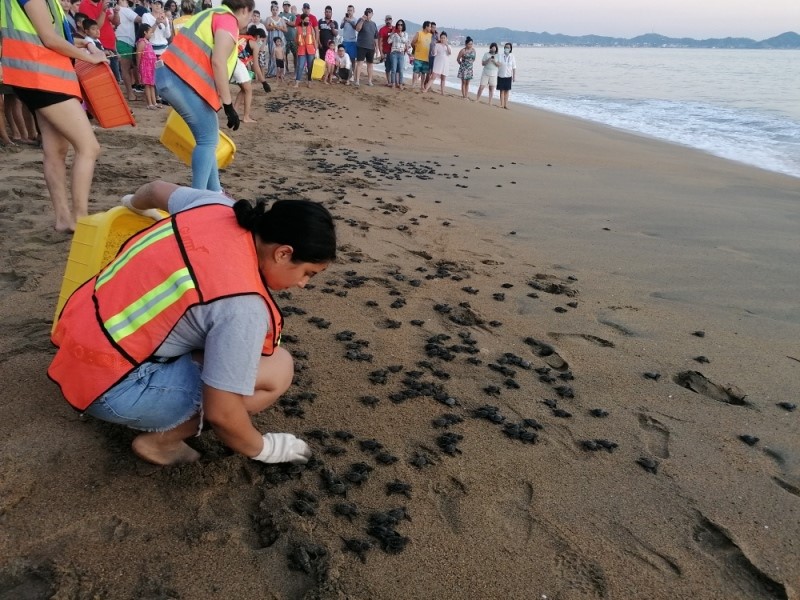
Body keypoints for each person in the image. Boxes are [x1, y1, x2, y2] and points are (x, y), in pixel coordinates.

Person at [49, 181, 337, 466]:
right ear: (283, 253)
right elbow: (221, 414)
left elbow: (152, 189)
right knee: (278, 368)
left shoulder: (215, 206)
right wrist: (265, 449)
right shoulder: (243, 307)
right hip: (111, 391)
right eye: (308, 273)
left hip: (74, 339)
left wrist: (133, 208)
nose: (302, 284)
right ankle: (161, 442)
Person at [0, 0, 107, 232]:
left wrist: (83, 45)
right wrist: (91, 57)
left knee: (56, 150)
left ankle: (64, 219)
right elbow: (48, 38)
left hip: (36, 75)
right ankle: (80, 219)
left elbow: (49, 33)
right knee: (89, 147)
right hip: (42, 76)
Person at [156, 0, 253, 192]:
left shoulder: (209, 13)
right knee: (208, 140)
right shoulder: (228, 20)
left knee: (208, 139)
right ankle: (199, 196)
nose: (249, 20)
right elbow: (218, 62)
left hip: (171, 76)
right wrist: (228, 105)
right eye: (251, 15)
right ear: (244, 10)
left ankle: (215, 193)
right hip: (181, 80)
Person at [78, 0, 120, 82]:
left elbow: (116, 22)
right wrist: (103, 11)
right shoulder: (85, 4)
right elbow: (95, 27)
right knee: (107, 81)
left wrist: (116, 12)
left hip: (110, 46)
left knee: (115, 79)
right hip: (98, 47)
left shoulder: (102, 3)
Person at [114, 0, 141, 101]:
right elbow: (140, 19)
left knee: (127, 68)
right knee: (126, 68)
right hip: (124, 40)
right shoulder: (125, 10)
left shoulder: (118, 9)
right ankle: (130, 93)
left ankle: (130, 92)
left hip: (123, 40)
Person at [136, 23, 160, 108]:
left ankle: (154, 102)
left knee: (151, 84)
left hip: (151, 66)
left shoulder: (147, 42)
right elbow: (138, 56)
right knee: (147, 85)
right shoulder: (142, 42)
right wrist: (138, 67)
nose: (151, 33)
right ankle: (149, 103)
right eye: (150, 32)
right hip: (145, 66)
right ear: (145, 32)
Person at [353, 7, 377, 87]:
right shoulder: (361, 20)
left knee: (370, 64)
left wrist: (376, 48)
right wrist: (362, 20)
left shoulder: (373, 24)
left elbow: (375, 37)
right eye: (367, 12)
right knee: (360, 63)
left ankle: (370, 81)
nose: (368, 14)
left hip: (371, 47)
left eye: (370, 12)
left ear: (372, 14)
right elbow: (357, 29)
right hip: (361, 45)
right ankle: (357, 80)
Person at [293, 13, 316, 87]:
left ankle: (309, 82)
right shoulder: (298, 28)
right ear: (302, 20)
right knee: (300, 66)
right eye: (306, 20)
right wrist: (297, 47)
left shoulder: (311, 27)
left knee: (310, 66)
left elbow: (314, 39)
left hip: (310, 49)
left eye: (308, 20)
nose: (308, 21)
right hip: (301, 49)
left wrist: (316, 50)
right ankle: (297, 82)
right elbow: (295, 39)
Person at [264, 3, 286, 78]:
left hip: (280, 38)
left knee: (280, 54)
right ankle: (272, 71)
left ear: (278, 10)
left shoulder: (281, 19)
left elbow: (285, 30)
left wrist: (279, 28)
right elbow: (266, 28)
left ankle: (281, 72)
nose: (275, 11)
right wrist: (273, 27)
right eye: (273, 10)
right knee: (272, 53)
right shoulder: (268, 19)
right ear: (271, 10)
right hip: (272, 38)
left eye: (276, 10)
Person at [475, 42, 500, 106]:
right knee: (481, 86)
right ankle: (477, 99)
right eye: (492, 47)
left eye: (494, 47)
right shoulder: (486, 54)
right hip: (486, 72)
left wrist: (494, 61)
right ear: (490, 48)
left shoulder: (498, 55)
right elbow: (483, 63)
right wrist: (488, 60)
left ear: (496, 48)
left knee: (491, 88)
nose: (493, 48)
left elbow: (499, 65)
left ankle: (490, 102)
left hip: (494, 73)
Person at [386, 18, 407, 90]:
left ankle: (400, 84)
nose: (400, 26)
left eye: (401, 25)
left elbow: (405, 41)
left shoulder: (405, 34)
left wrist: (400, 35)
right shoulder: (394, 34)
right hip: (394, 53)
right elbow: (389, 41)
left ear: (403, 26)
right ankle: (393, 83)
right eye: (398, 25)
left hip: (401, 53)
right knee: (393, 69)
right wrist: (392, 34)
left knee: (401, 70)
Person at [410, 20, 431, 92]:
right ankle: (413, 84)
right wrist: (416, 49)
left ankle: (422, 85)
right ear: (426, 27)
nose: (430, 28)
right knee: (416, 71)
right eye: (430, 26)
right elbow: (412, 42)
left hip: (426, 57)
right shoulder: (419, 33)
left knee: (423, 73)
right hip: (418, 56)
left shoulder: (430, 35)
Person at [339, 3, 356, 80]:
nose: (349, 12)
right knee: (343, 58)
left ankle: (351, 75)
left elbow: (356, 27)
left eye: (351, 10)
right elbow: (341, 27)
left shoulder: (355, 19)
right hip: (345, 41)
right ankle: (343, 75)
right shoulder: (344, 18)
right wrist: (345, 21)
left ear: (353, 11)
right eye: (348, 10)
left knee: (352, 59)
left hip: (352, 41)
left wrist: (350, 21)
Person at [497, 42, 516, 109]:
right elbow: (498, 64)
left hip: (508, 75)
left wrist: (514, 77)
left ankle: (505, 105)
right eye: (505, 47)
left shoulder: (512, 56)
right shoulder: (500, 55)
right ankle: (501, 104)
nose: (506, 48)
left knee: (507, 91)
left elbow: (514, 67)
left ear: (510, 49)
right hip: (501, 75)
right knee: (501, 90)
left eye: (508, 47)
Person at [278, 0, 296, 75]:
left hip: (293, 37)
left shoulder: (292, 15)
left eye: (288, 5)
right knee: (284, 54)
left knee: (295, 54)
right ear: (283, 6)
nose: (286, 7)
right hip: (283, 38)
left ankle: (296, 69)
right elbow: (279, 25)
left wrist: (286, 22)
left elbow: (294, 24)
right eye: (285, 5)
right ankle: (286, 69)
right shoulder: (280, 16)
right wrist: (288, 23)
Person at [456, 36, 475, 100]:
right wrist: (462, 65)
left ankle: (466, 95)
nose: (470, 45)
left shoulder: (473, 50)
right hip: (463, 68)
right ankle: (464, 96)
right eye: (469, 44)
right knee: (463, 82)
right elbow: (458, 59)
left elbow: (474, 59)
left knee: (467, 83)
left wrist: (470, 64)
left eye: (471, 44)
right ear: (466, 44)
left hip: (470, 68)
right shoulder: (463, 50)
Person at [376, 14, 392, 85]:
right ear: (385, 20)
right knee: (388, 67)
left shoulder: (395, 28)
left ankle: (394, 81)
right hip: (386, 51)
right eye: (387, 19)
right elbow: (380, 42)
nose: (388, 21)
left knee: (395, 67)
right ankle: (389, 81)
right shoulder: (382, 30)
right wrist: (381, 53)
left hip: (394, 51)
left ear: (392, 20)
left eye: (389, 19)